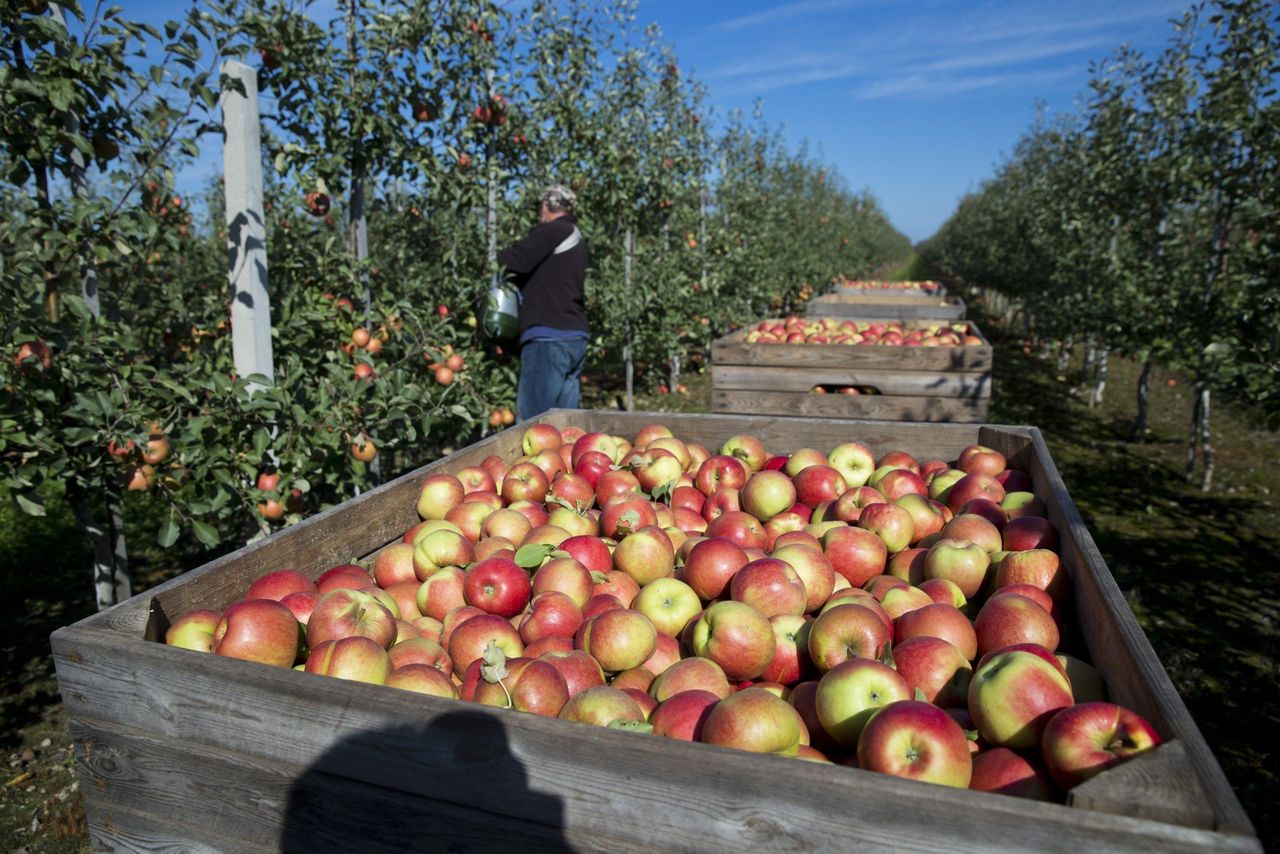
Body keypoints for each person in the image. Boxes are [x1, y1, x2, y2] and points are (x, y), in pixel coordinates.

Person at [497, 184, 590, 421]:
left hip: (549, 339)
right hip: (574, 337)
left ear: (547, 206)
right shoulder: (576, 236)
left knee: (533, 423)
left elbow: (513, 261)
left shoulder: (553, 231)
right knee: (566, 426)